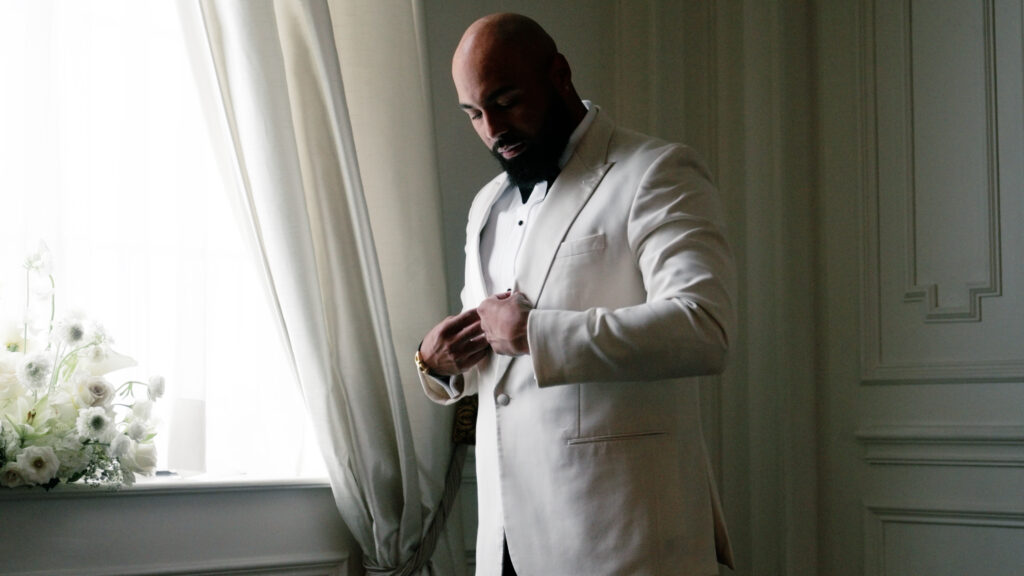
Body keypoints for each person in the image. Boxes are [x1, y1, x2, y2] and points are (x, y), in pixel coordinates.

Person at [414, 12, 736, 576]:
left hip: (622, 539)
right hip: (506, 544)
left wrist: (536, 333)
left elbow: (703, 328)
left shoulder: (655, 171)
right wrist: (440, 365)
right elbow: (498, 365)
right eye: (474, 114)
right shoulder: (488, 204)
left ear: (560, 74)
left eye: (507, 101)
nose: (492, 129)